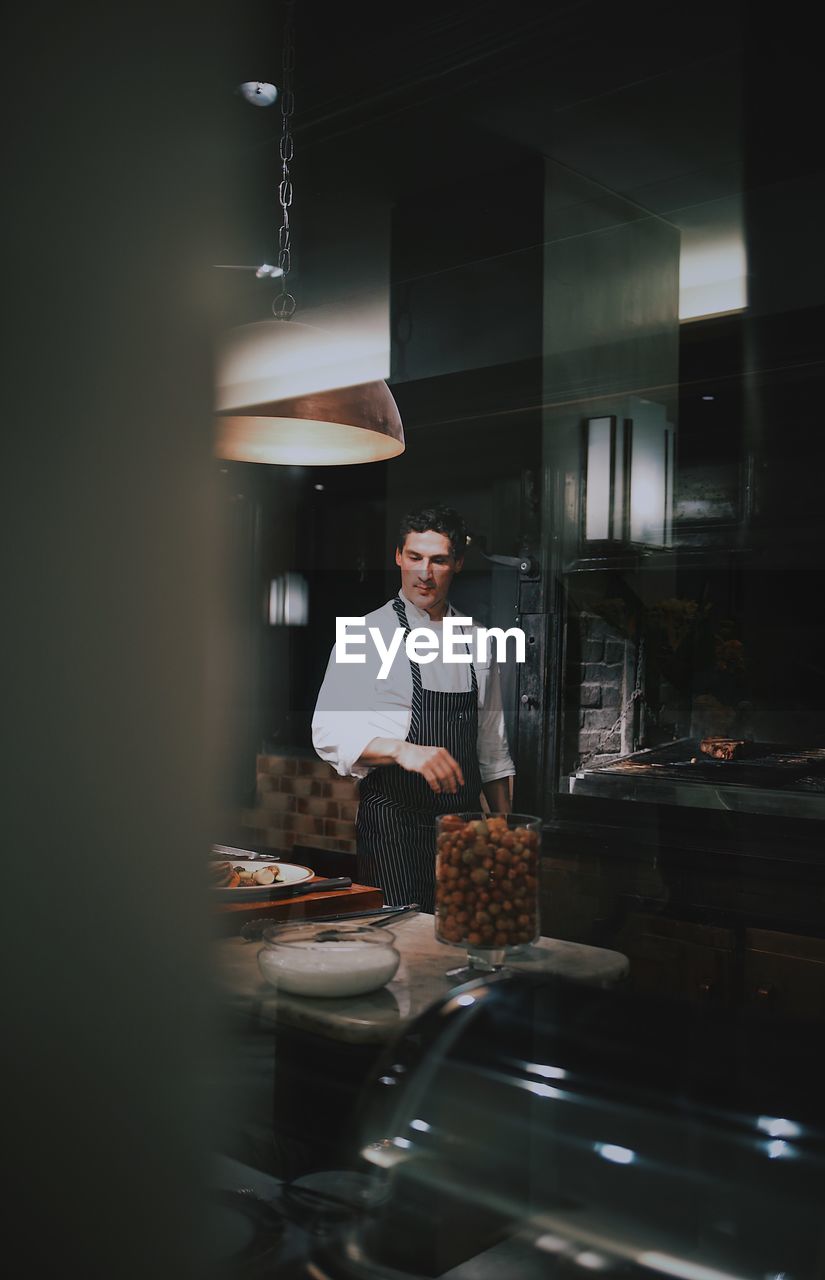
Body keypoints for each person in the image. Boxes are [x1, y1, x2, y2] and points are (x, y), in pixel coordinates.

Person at [312, 505, 515, 912]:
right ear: (398, 557)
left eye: (439, 560)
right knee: (401, 943)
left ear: (457, 563)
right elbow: (327, 735)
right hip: (394, 827)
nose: (425, 573)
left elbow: (492, 750)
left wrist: (503, 834)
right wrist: (404, 749)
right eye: (415, 558)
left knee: (462, 936)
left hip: (463, 829)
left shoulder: (480, 640)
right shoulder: (366, 635)